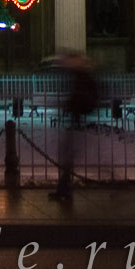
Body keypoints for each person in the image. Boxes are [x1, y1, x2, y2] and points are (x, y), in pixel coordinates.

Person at [50, 50, 99, 203]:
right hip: (76, 119)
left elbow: (79, 97)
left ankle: (64, 189)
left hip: (77, 120)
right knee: (67, 157)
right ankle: (63, 189)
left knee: (68, 156)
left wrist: (69, 105)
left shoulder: (82, 77)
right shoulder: (79, 76)